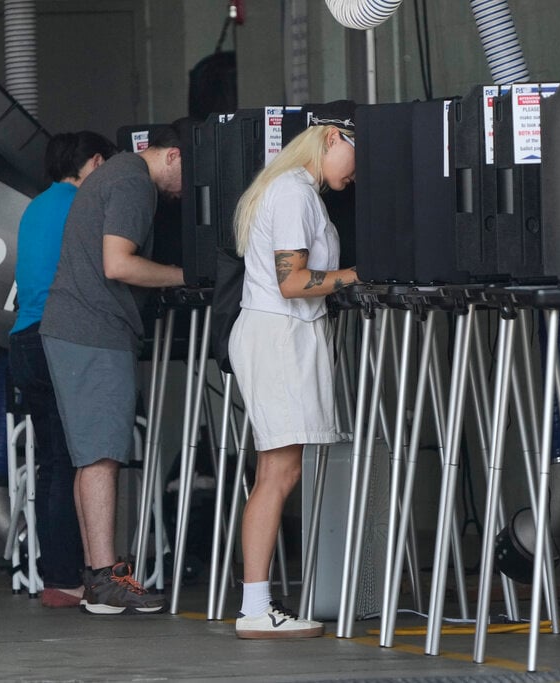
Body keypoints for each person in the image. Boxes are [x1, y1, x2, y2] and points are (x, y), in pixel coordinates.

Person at [40, 120, 188, 615]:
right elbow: (118, 264)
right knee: (103, 454)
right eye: (190, 173)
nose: (186, 191)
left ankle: (99, 575)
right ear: (172, 156)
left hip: (73, 328)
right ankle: (106, 580)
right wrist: (181, 276)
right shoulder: (132, 182)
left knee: (90, 456)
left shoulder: (115, 174)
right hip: (93, 330)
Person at [228, 118, 359, 639]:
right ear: (332, 139)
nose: (359, 171)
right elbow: (293, 281)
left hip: (283, 335)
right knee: (277, 475)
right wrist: (351, 277)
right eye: (357, 154)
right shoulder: (292, 193)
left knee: (278, 472)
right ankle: (256, 609)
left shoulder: (297, 190)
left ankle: (258, 605)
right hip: (280, 335)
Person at [9, 131, 118, 609]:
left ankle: (60, 578)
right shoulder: (81, 206)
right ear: (94, 163)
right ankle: (80, 576)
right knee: (79, 461)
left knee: (53, 459)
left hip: (23, 340)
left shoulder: (36, 206)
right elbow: (108, 267)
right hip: (59, 337)